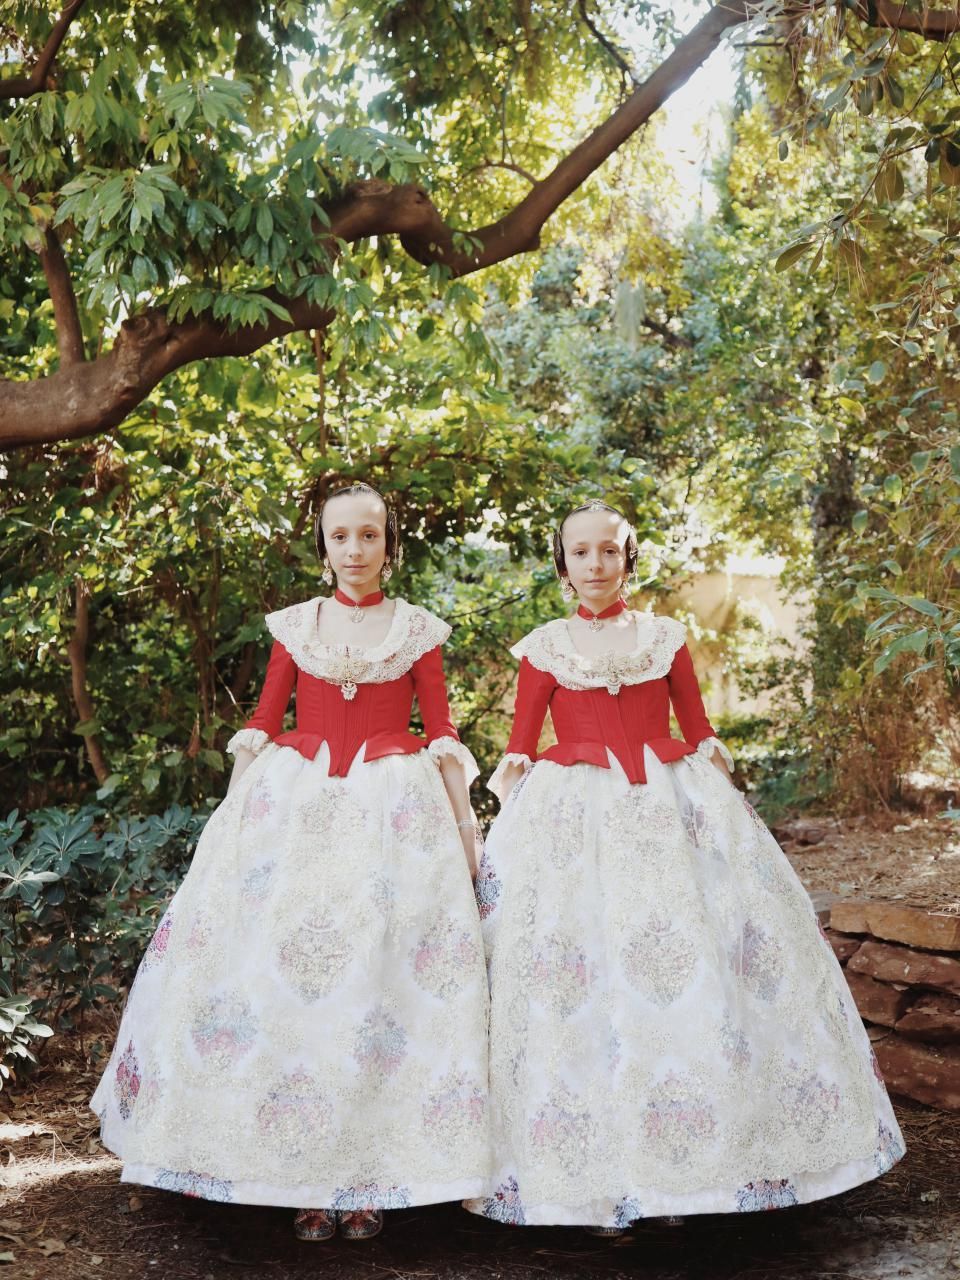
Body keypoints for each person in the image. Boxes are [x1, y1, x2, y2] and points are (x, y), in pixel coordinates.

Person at [465, 499, 905, 1232]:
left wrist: (729, 828)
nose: (596, 564)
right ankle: (601, 1179)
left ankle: (692, 1174)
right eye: (581, 552)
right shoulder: (544, 648)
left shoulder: (665, 638)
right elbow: (520, 745)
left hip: (671, 810)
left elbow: (698, 729)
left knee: (691, 966)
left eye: (610, 550)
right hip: (572, 822)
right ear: (562, 562)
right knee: (584, 975)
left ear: (628, 558)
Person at [92, 483, 489, 1243]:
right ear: (323, 546)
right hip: (297, 810)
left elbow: (441, 732)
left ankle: (367, 1177)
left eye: (369, 534)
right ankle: (296, 1174)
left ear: (389, 544)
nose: (355, 549)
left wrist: (466, 831)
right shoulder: (296, 626)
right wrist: (232, 825)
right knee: (288, 981)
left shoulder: (417, 630)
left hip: (393, 819)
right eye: (340, 536)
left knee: (377, 987)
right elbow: (263, 722)